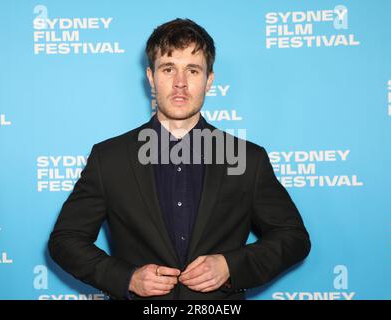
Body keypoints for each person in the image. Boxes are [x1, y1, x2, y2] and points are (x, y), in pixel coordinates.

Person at [48, 18, 311, 300]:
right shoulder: (109, 158)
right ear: (151, 77)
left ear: (209, 80)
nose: (180, 84)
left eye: (193, 70)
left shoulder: (246, 157)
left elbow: (293, 238)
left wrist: (230, 266)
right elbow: (66, 240)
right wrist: (128, 278)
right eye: (168, 69)